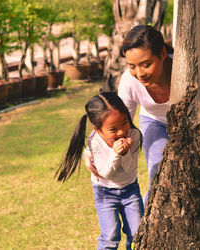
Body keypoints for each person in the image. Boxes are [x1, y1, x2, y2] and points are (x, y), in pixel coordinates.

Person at [87, 25, 173, 205]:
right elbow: (115, 119)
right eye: (132, 66)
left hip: (192, 122)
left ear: (163, 54)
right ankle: (144, 225)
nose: (140, 74)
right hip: (155, 121)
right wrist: (90, 151)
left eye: (146, 64)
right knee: (158, 178)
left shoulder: (186, 70)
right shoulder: (129, 81)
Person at [56, 92, 144, 250]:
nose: (121, 132)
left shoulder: (134, 135)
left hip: (130, 189)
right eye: (113, 129)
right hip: (105, 192)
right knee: (110, 236)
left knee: (138, 234)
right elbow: (105, 173)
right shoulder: (94, 142)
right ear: (97, 130)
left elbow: (131, 169)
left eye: (124, 123)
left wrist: (125, 153)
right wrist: (117, 153)